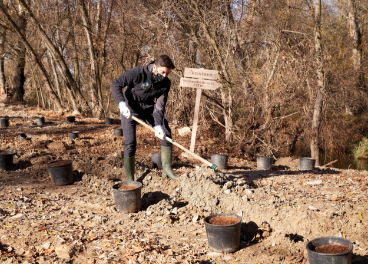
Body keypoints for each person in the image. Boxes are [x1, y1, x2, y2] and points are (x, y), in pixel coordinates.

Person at [110, 55, 177, 181]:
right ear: (155, 67)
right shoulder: (138, 73)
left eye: (167, 74)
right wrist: (121, 103)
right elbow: (116, 84)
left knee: (166, 132)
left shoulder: (166, 84)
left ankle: (167, 170)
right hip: (130, 109)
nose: (164, 76)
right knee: (130, 143)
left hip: (149, 110)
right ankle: (130, 177)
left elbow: (159, 106)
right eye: (162, 72)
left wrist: (157, 125)